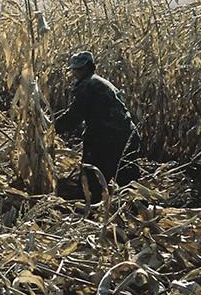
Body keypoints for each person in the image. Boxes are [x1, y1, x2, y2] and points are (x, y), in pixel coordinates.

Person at [54, 51, 138, 199]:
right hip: (128, 134)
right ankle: (136, 211)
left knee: (92, 178)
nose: (75, 72)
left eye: (77, 69)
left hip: (107, 137)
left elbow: (74, 116)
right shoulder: (100, 82)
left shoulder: (87, 85)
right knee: (127, 180)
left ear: (86, 68)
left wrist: (52, 128)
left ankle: (90, 211)